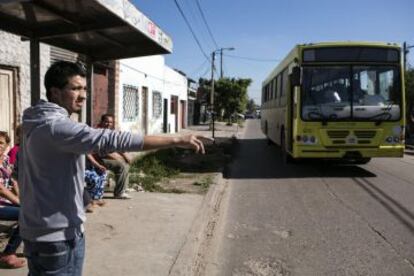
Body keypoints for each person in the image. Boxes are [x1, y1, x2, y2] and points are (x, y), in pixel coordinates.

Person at [19, 61, 209, 275]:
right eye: (75, 88)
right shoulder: (56, 127)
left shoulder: (35, 122)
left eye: (84, 88)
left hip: (52, 232)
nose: (83, 95)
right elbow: (113, 139)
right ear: (55, 92)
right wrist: (175, 139)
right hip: (55, 238)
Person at [0, 131, 25, 269]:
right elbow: (1, 190)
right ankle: (8, 253)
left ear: (7, 145)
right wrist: (21, 203)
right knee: (27, 214)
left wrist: (21, 197)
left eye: (1, 143)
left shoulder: (5, 160)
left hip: (6, 202)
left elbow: (13, 181)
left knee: (34, 210)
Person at [96, 114, 133, 199]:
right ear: (101, 122)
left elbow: (117, 146)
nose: (108, 124)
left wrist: (125, 156)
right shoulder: (97, 132)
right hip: (97, 159)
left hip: (105, 157)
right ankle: (119, 193)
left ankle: (122, 189)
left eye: (111, 122)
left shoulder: (110, 132)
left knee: (125, 163)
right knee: (121, 165)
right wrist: (117, 157)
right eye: (106, 122)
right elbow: (100, 150)